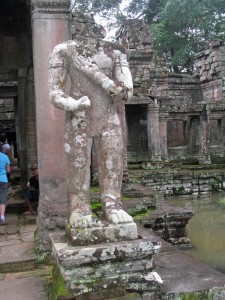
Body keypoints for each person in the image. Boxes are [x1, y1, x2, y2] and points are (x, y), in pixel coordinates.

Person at [49, 12, 134, 228]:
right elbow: (54, 94)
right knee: (77, 165)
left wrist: (101, 79)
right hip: (79, 118)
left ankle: (112, 205)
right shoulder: (63, 51)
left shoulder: (115, 53)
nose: (87, 36)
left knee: (113, 162)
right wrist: (74, 104)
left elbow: (126, 93)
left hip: (108, 118)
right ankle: (79, 207)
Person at [0, 150, 10, 224]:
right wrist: (9, 181)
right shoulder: (5, 156)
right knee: (3, 198)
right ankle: (2, 216)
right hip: (3, 179)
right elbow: (8, 171)